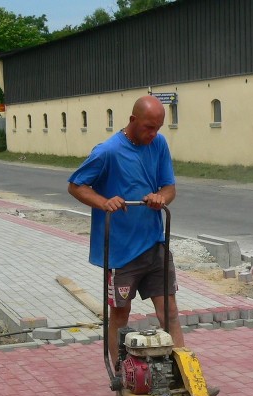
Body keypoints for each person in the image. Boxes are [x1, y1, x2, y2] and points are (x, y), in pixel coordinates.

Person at [67, 95, 187, 370]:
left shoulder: (158, 144)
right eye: (148, 127)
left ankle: (183, 374)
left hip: (155, 245)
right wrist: (103, 201)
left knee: (169, 312)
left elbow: (169, 187)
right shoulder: (107, 151)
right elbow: (76, 185)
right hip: (121, 253)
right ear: (133, 120)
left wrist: (161, 198)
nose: (153, 133)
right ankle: (121, 373)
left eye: (158, 127)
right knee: (120, 314)